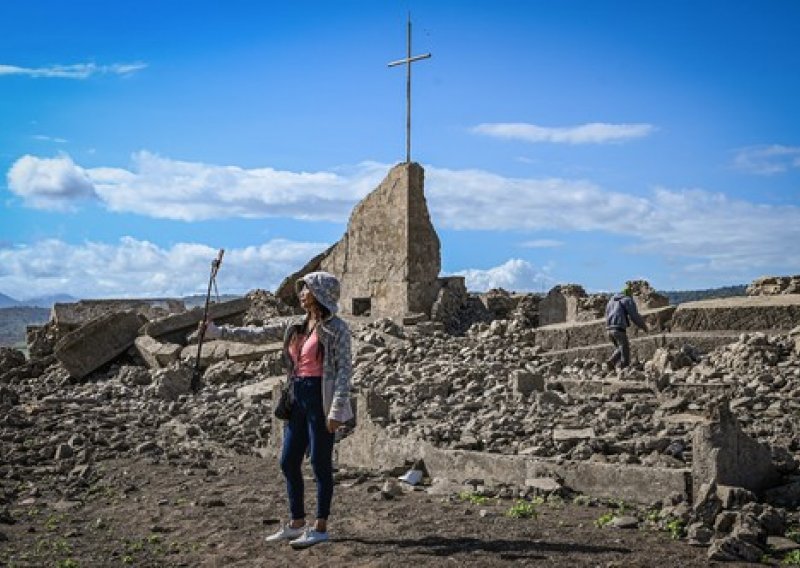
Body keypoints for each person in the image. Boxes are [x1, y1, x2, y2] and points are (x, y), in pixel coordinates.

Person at [202, 271, 353, 549]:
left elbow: (344, 371)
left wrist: (337, 409)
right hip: (296, 396)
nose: (301, 293)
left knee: (320, 464)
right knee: (287, 461)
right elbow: (259, 334)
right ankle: (296, 523)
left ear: (320, 293)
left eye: (306, 289)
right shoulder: (295, 325)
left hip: (322, 398)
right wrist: (218, 333)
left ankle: (320, 526)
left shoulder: (338, 329)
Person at [605, 285, 648, 370]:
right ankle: (624, 369)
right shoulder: (627, 300)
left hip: (609, 329)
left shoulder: (611, 301)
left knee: (621, 348)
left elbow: (606, 314)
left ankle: (612, 363)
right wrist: (643, 326)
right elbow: (634, 316)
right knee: (625, 350)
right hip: (618, 328)